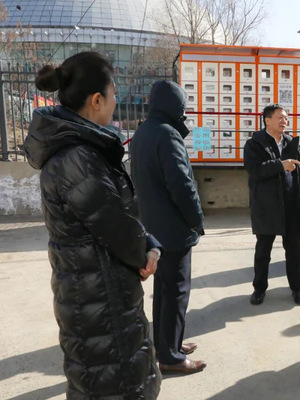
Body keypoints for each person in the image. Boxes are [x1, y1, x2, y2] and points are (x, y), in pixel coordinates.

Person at [23, 52, 161, 398]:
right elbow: (117, 226)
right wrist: (147, 251)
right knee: (115, 383)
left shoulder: (79, 148)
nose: (115, 103)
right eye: (113, 95)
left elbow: (115, 216)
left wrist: (146, 241)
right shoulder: (77, 157)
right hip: (100, 297)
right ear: (97, 100)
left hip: (96, 291)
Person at [130, 81, 206, 374]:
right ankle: (171, 357)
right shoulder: (167, 134)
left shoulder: (143, 133)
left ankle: (167, 344)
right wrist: (196, 220)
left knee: (164, 291)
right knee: (176, 292)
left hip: (154, 227)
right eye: (183, 106)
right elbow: (182, 185)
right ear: (175, 106)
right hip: (174, 230)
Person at [244, 104, 300, 306]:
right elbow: (255, 170)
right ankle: (259, 289)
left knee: (294, 251)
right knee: (263, 252)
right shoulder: (255, 144)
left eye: (286, 118)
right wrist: (281, 165)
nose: (285, 121)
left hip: (291, 205)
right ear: (267, 120)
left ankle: (297, 288)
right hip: (267, 206)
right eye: (280, 117)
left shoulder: (292, 143)